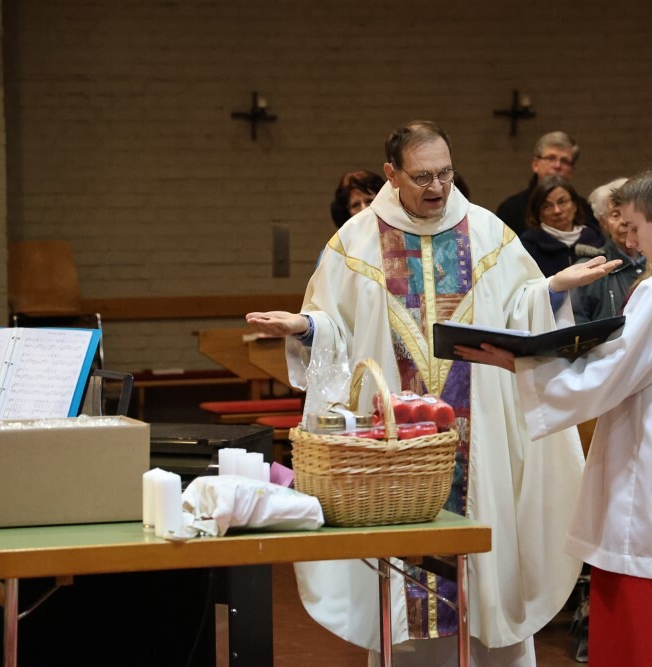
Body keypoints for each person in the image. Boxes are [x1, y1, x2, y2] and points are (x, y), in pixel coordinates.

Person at [246, 120, 620, 666]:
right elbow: (336, 327)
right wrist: (306, 328)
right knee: (405, 594)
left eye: (445, 173)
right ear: (392, 174)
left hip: (479, 438)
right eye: (423, 176)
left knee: (485, 571)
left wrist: (550, 290)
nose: (438, 187)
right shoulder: (355, 241)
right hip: (398, 453)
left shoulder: (488, 232)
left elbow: (518, 310)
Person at [456, 166, 652, 666]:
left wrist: (522, 363)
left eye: (633, 227)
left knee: (650, 636)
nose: (629, 240)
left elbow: (608, 376)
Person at [570, 178, 645, 323]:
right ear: (604, 223)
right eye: (616, 215)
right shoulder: (590, 269)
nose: (624, 221)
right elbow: (575, 323)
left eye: (630, 212)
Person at [496, 131, 596, 235]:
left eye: (564, 161)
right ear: (535, 165)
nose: (557, 165)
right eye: (551, 158)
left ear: (572, 171)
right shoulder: (510, 209)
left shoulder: (586, 210)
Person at [519, 175, 604, 278]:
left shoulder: (597, 239)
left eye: (562, 202)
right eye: (547, 206)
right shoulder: (528, 246)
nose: (557, 211)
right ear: (538, 213)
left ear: (575, 205)